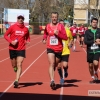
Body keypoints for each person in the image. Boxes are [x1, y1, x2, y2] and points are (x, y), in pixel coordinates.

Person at [42, 12, 68, 89]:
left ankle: (52, 77)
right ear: (51, 17)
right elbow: (45, 33)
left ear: (57, 18)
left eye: (55, 17)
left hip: (59, 49)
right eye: (53, 17)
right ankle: (52, 81)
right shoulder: (48, 26)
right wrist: (44, 39)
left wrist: (58, 34)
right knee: (51, 63)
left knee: (55, 65)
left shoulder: (60, 26)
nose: (54, 18)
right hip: (50, 48)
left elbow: (65, 37)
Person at [4, 14, 30, 88]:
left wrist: (28, 41)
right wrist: (11, 41)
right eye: (19, 18)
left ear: (23, 19)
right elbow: (5, 35)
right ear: (17, 19)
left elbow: (28, 37)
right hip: (12, 49)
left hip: (21, 49)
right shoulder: (12, 27)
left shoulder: (25, 29)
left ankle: (16, 80)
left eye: (22, 18)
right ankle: (14, 68)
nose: (20, 19)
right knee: (14, 64)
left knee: (19, 64)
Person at [84, 17, 100, 83]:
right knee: (90, 66)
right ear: (91, 23)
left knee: (96, 63)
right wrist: (93, 41)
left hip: (97, 50)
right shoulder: (87, 32)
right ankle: (93, 76)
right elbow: (85, 42)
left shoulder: (99, 31)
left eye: (96, 23)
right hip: (90, 51)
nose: (94, 24)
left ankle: (96, 71)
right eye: (93, 22)